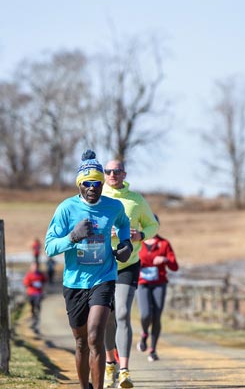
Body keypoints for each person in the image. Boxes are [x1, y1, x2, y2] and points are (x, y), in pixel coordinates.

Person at [45, 150, 133, 389]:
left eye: (97, 183)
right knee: (81, 342)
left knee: (95, 336)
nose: (93, 188)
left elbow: (124, 224)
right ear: (80, 185)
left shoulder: (112, 207)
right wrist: (72, 237)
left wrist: (126, 244)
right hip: (74, 282)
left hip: (103, 277)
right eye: (88, 184)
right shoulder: (66, 209)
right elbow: (49, 247)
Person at [101, 159, 160, 388]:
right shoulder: (97, 198)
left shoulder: (136, 199)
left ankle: (124, 370)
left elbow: (153, 225)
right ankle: (109, 365)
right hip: (103, 265)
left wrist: (140, 235)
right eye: (108, 171)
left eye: (117, 171)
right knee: (107, 317)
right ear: (104, 174)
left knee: (123, 314)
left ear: (124, 174)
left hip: (128, 264)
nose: (113, 174)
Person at [136, 214, 178, 362]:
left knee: (156, 316)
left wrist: (165, 259)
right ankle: (144, 334)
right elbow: (127, 260)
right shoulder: (137, 243)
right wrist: (137, 265)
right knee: (145, 314)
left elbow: (175, 266)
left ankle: (152, 349)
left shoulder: (164, 244)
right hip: (142, 283)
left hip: (159, 282)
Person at [22, 261, 47, 335]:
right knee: (32, 308)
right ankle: (33, 319)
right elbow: (25, 283)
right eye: (33, 266)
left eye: (36, 266)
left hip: (38, 294)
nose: (35, 268)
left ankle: (36, 323)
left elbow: (45, 281)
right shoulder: (29, 275)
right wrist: (31, 283)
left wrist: (43, 289)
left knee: (37, 308)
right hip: (31, 294)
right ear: (31, 267)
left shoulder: (40, 274)